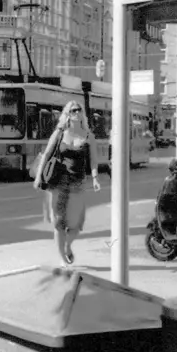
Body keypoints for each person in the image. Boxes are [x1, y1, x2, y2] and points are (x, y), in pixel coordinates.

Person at [43, 101, 102, 265]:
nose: (76, 113)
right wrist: (39, 178)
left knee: (76, 224)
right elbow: (47, 154)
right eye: (72, 110)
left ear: (82, 113)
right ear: (67, 114)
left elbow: (94, 161)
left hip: (78, 182)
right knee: (58, 222)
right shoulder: (60, 133)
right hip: (59, 181)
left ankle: (67, 245)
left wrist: (95, 178)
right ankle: (62, 257)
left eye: (78, 110)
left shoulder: (88, 136)